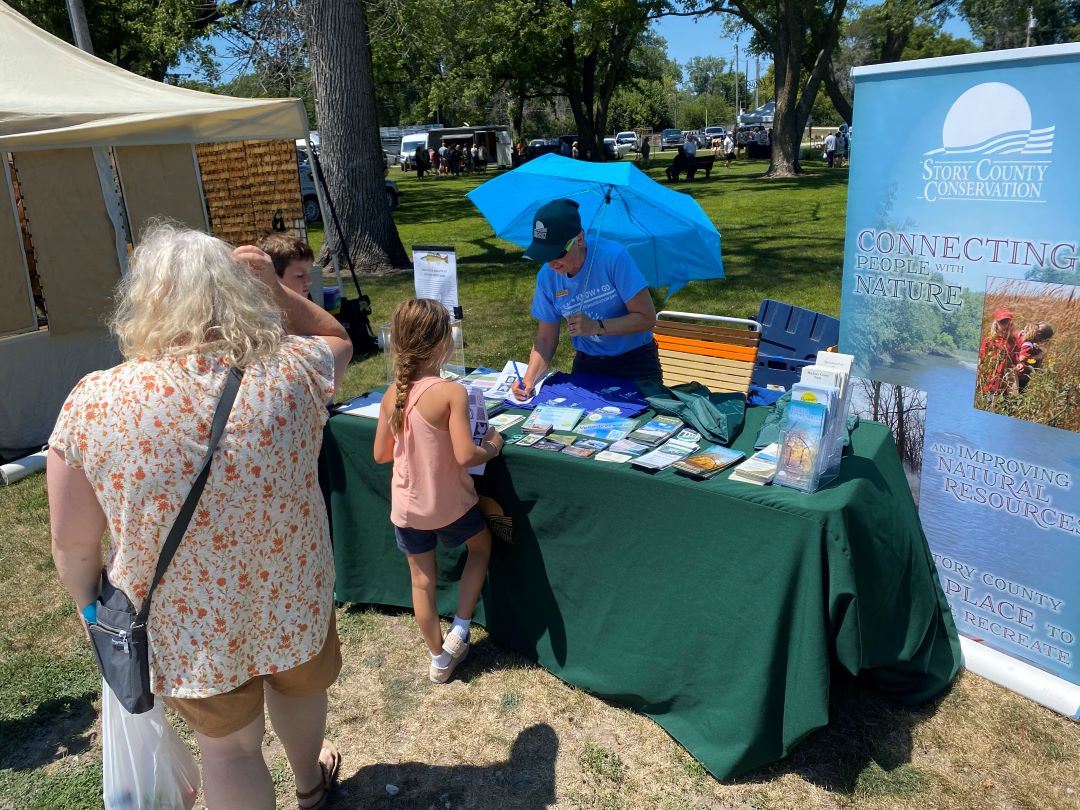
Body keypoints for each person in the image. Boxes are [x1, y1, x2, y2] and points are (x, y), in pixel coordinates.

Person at [47, 224, 353, 810]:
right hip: (293, 591)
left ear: (146, 300)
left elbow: (73, 546)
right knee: (300, 689)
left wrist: (94, 611)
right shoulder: (293, 372)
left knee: (230, 751)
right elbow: (337, 337)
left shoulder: (95, 401)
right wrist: (280, 293)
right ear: (236, 293)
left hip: (189, 624)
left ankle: (307, 785)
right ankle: (311, 787)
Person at [372, 299, 499, 684]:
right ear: (444, 342)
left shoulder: (392, 392)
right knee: (481, 547)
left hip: (408, 510)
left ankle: (438, 657)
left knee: (421, 583)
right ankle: (462, 625)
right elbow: (465, 455)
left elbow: (380, 454)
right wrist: (492, 445)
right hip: (451, 504)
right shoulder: (450, 393)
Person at [511, 198, 659, 398]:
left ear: (580, 239)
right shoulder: (547, 277)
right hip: (588, 364)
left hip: (635, 363)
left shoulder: (613, 257)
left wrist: (597, 326)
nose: (552, 264)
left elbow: (646, 318)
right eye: (545, 255)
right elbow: (545, 338)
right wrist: (529, 379)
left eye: (558, 253)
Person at [257, 233, 314, 298]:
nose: (309, 281)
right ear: (271, 277)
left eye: (308, 273)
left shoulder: (307, 301)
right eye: (300, 275)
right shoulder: (261, 307)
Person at [979, 307, 1020, 396]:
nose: (1006, 325)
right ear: (996, 324)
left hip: (1005, 384)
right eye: (1003, 322)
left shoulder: (1013, 341)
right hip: (990, 382)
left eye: (1008, 322)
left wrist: (1017, 366)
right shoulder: (989, 340)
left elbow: (1014, 359)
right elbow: (982, 360)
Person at [1015, 321, 1054, 392]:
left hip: (1015, 370)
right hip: (1021, 374)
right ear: (1041, 338)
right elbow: (1022, 357)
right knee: (1018, 394)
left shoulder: (1023, 335)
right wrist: (1037, 357)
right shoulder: (1028, 343)